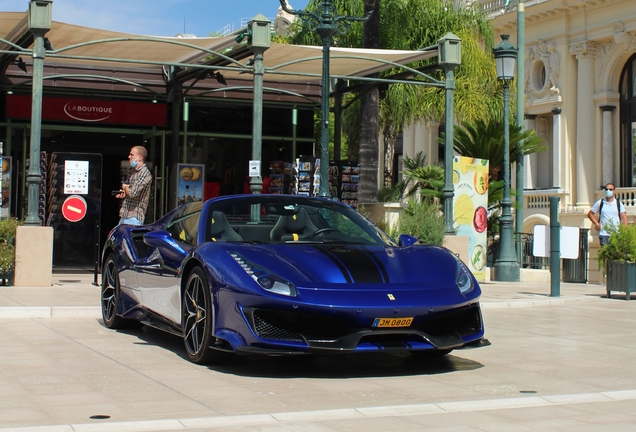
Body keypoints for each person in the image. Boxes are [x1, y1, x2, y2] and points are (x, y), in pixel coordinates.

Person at [115, 146, 152, 225]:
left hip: (134, 217)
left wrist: (124, 187)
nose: (129, 157)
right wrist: (124, 192)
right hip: (125, 215)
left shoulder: (144, 173)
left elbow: (133, 193)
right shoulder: (133, 172)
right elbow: (131, 192)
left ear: (139, 157)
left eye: (132, 155)